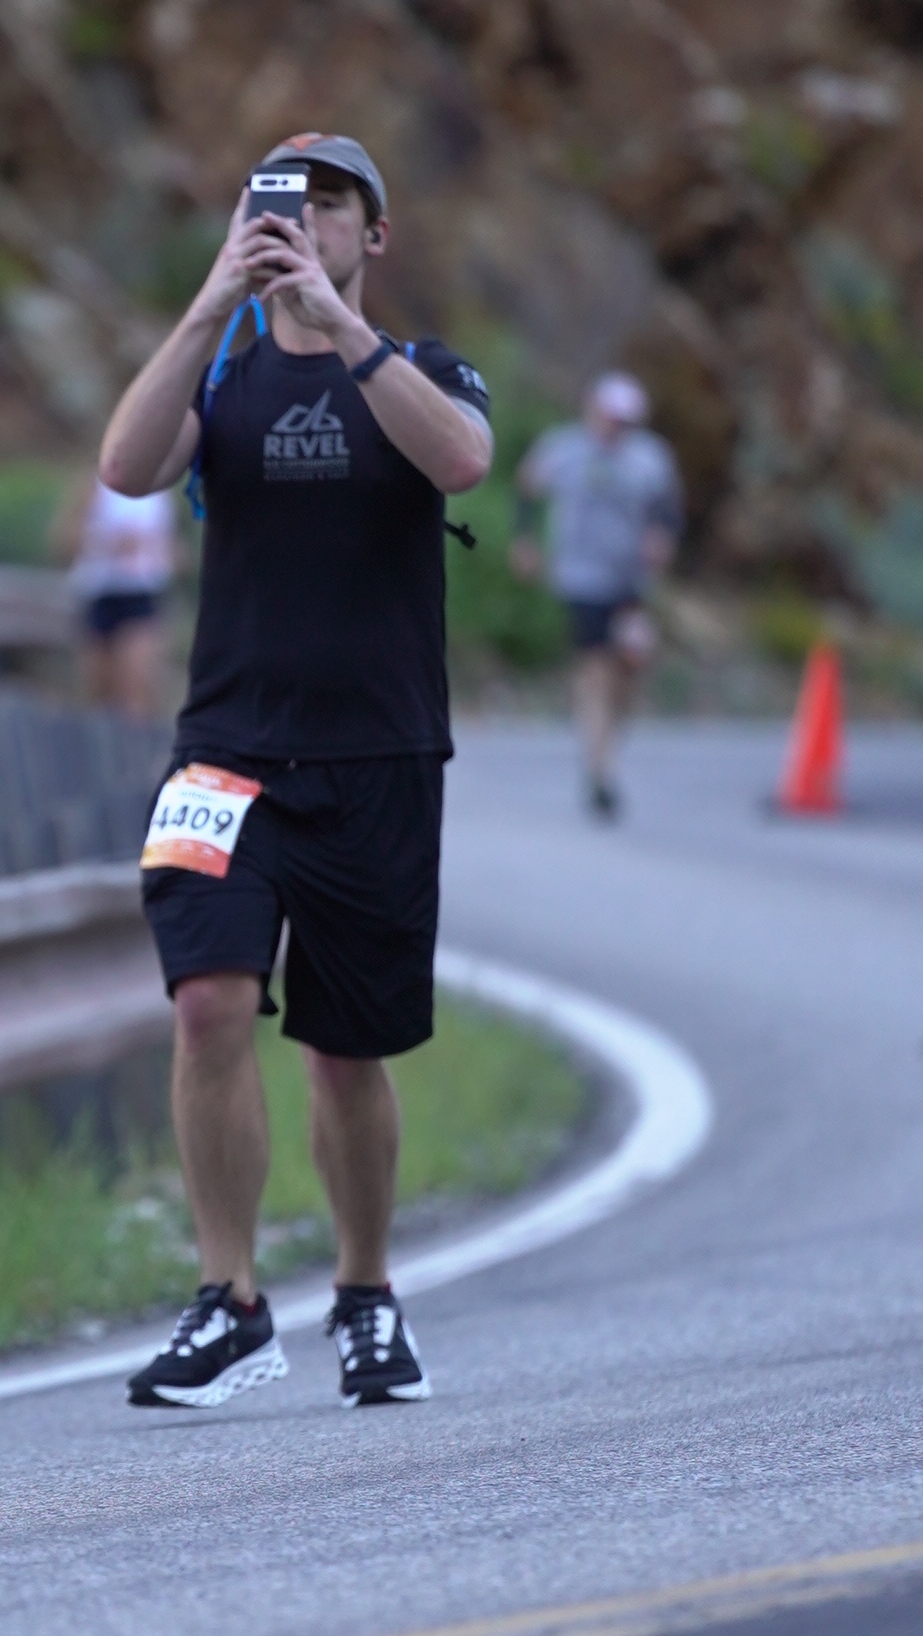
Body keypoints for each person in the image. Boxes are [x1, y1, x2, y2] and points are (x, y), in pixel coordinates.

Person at [95, 130, 492, 1413]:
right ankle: (229, 1300)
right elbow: (125, 467)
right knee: (206, 1002)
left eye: (330, 205)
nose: (301, 221)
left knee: (342, 1049)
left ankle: (365, 1295)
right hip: (225, 752)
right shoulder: (221, 371)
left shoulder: (424, 367)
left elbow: (460, 461)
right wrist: (213, 299)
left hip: (378, 754)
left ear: (371, 235)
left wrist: (339, 327)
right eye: (280, 202)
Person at [514, 374, 682, 818]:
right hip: (581, 577)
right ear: (594, 411)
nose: (616, 427)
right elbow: (527, 486)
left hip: (632, 580)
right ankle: (599, 768)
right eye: (611, 418)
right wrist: (525, 539)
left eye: (625, 421)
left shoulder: (649, 458)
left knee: (629, 666)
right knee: (594, 667)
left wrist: (662, 537)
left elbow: (667, 507)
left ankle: (606, 747)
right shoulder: (564, 448)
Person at [56, 467, 178, 722]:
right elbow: (65, 541)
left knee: (136, 695)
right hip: (99, 594)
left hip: (141, 594)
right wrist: (108, 544)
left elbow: (172, 550)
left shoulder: (160, 493)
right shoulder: (94, 485)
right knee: (96, 698)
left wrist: (157, 552)